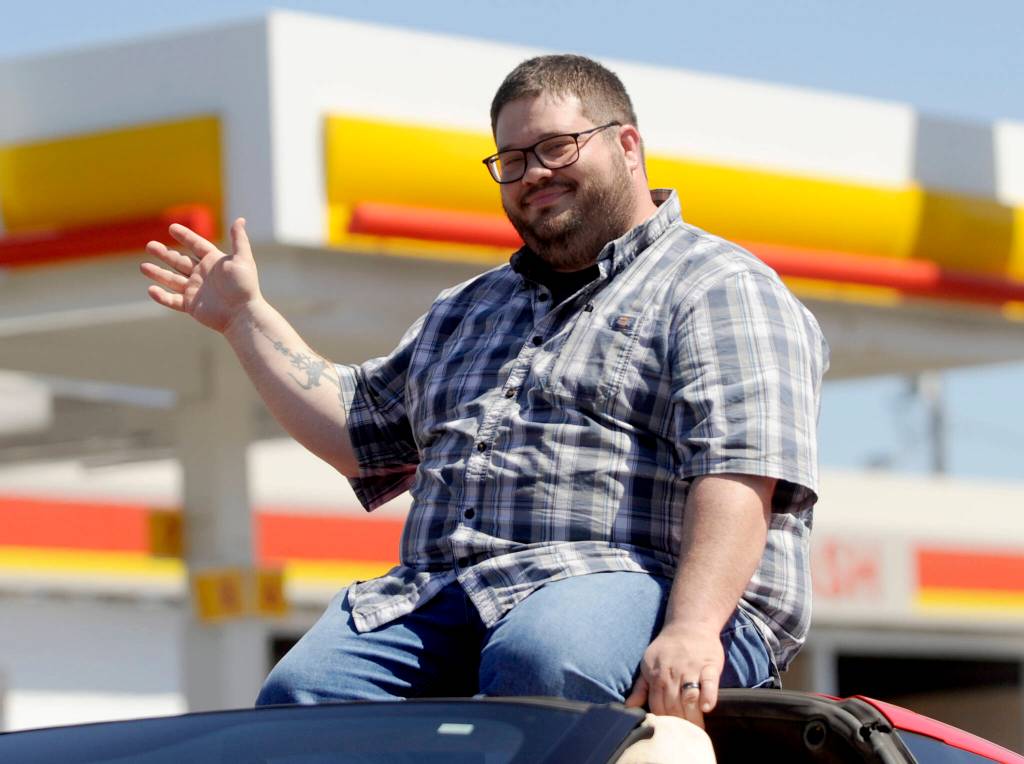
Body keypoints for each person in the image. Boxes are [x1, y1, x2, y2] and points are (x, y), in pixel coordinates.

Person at [140, 54, 828, 724]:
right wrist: (242, 318)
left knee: (544, 654)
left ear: (627, 144)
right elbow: (359, 432)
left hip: (644, 586)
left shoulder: (718, 286)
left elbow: (741, 472)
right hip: (453, 593)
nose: (533, 174)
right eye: (512, 160)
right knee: (305, 697)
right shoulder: (468, 308)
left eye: (556, 147)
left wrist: (692, 628)